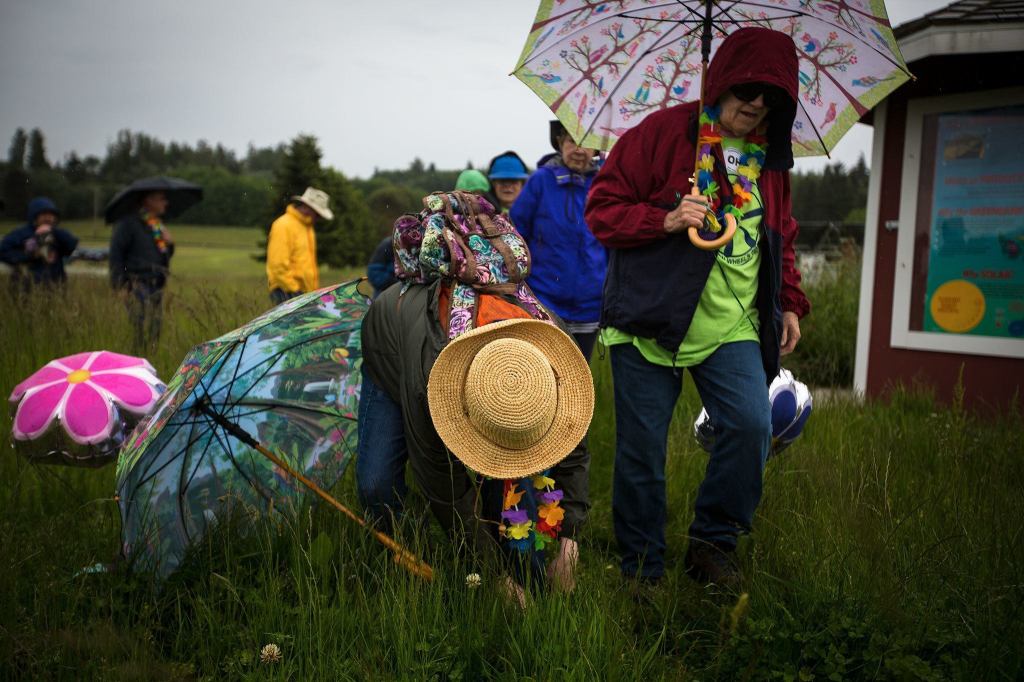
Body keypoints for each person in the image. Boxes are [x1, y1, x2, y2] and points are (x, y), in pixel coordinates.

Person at [584, 27, 811, 586]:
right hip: (649, 318)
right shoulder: (659, 133)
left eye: (771, 99)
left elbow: (780, 234)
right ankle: (642, 570)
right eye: (746, 91)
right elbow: (601, 210)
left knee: (751, 427)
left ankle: (713, 544)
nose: (755, 105)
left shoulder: (770, 160)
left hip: (731, 324)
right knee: (642, 454)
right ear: (723, 81)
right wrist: (665, 217)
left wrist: (789, 303)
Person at [358, 191, 593, 593]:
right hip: (393, 357)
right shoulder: (427, 377)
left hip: (465, 367)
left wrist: (569, 541)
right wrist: (492, 574)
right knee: (377, 483)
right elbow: (442, 484)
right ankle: (403, 554)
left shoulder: (554, 345)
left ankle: (525, 568)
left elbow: (573, 452)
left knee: (509, 490)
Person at [510, 120, 605, 361]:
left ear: (597, 150)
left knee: (578, 375)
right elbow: (516, 235)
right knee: (541, 372)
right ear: (560, 142)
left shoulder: (605, 185)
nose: (579, 150)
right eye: (573, 140)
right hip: (544, 298)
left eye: (588, 143)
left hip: (590, 303)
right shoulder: (540, 181)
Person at [109, 191, 175, 350]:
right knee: (137, 329)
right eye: (161, 199)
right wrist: (120, 285)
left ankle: (150, 361)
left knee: (154, 329)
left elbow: (164, 256)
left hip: (156, 285)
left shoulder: (156, 225)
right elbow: (116, 255)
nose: (165, 203)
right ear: (148, 201)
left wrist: (170, 244)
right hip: (136, 284)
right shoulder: (128, 223)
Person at [266, 187, 333, 304]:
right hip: (285, 292)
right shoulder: (283, 225)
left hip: (304, 294)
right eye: (318, 215)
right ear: (308, 208)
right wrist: (295, 291)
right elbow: (278, 266)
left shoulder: (308, 229)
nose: (318, 219)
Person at [1, 197, 78, 292]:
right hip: (25, 288)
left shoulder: (58, 235)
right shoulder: (21, 234)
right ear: (34, 216)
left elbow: (72, 245)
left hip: (55, 287)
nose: (48, 218)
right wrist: (31, 255)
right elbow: (3, 252)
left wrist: (53, 231)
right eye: (44, 214)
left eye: (51, 215)